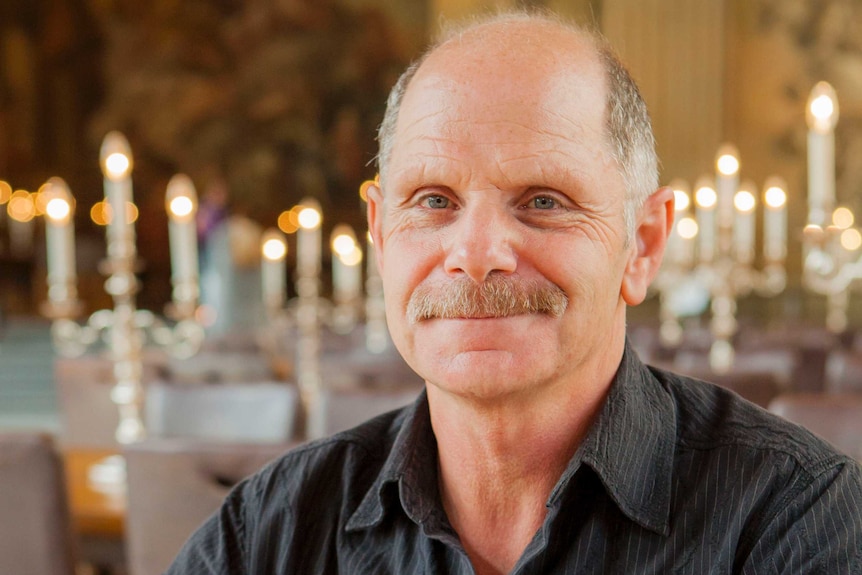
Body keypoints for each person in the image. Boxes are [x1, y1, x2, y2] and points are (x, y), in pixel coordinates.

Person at [167, 11, 862, 574]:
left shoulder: (796, 518)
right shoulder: (268, 530)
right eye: (434, 199)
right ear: (381, 235)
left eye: (543, 201)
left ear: (643, 243)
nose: (475, 257)